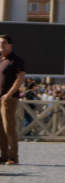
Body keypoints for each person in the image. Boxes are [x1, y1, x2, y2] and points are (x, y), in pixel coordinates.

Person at [0, 34, 26, 165]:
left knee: (9, 128)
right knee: (0, 129)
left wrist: (8, 94)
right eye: (0, 43)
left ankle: (13, 157)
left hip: (8, 99)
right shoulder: (1, 60)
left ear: (10, 45)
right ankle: (3, 155)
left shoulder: (15, 60)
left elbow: (20, 78)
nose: (1, 45)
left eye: (4, 43)